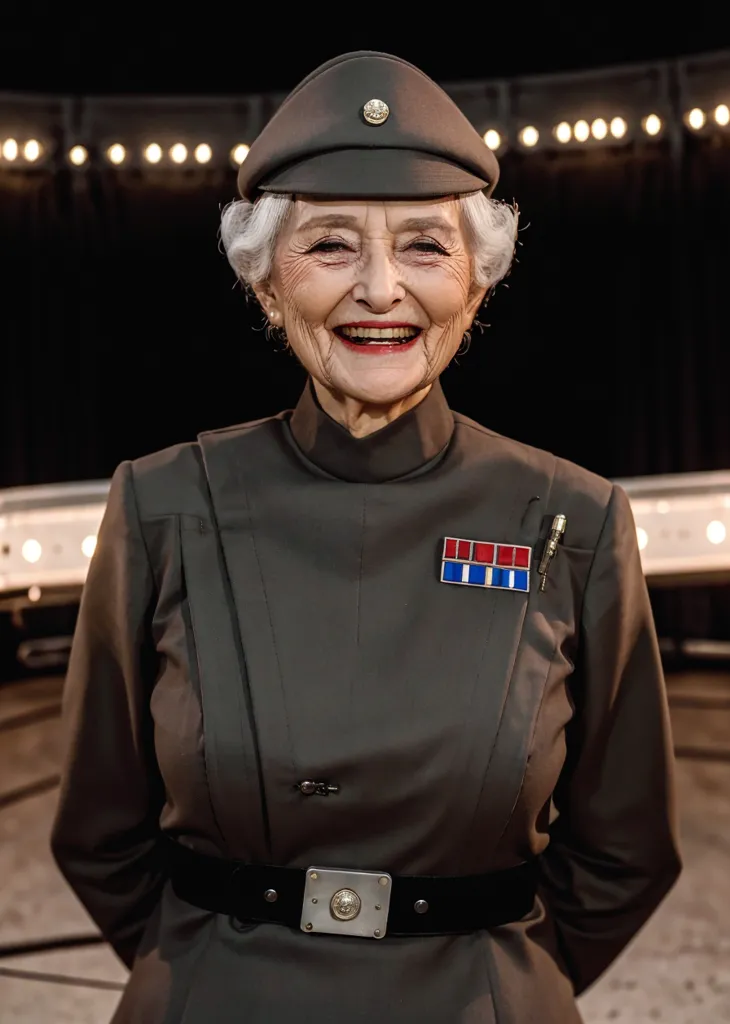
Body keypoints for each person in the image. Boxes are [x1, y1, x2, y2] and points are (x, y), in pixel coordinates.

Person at [51, 50, 682, 1024]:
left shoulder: (573, 516)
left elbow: (627, 846)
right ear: (267, 286)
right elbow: (98, 831)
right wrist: (201, 966)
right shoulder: (163, 501)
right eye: (332, 246)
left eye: (425, 247)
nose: (380, 289)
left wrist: (506, 979)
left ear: (479, 283)